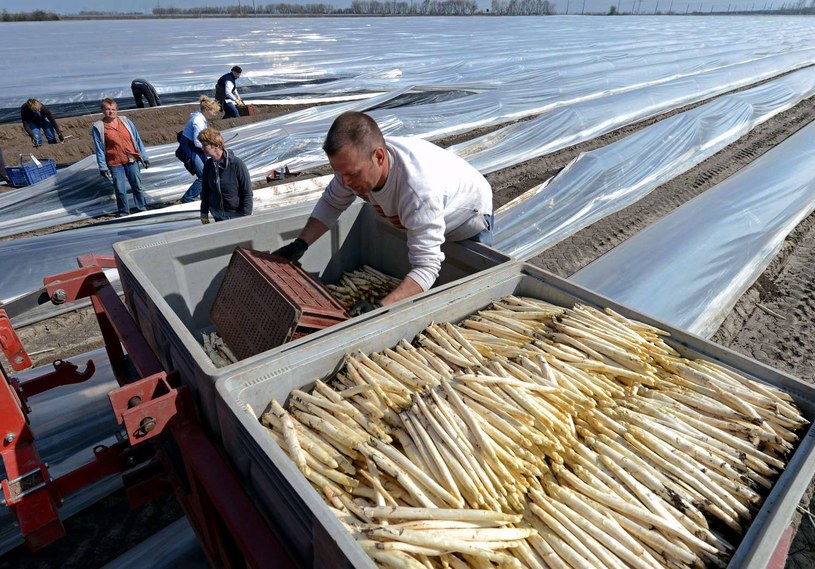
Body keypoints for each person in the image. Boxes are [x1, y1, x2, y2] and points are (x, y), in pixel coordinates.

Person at [272, 111, 493, 315]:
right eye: (340, 174)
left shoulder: (418, 191)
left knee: (472, 290)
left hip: (469, 218)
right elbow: (331, 203)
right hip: (429, 212)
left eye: (352, 174)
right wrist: (300, 244)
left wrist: (379, 308)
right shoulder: (354, 167)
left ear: (379, 157)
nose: (346, 183)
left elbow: (427, 267)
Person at [91, 98, 150, 217]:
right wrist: (102, 166)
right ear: (102, 110)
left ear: (117, 110)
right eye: (107, 109)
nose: (111, 112)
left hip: (131, 159)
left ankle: (142, 208)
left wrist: (144, 156)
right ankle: (124, 213)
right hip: (115, 163)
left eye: (113, 109)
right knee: (120, 190)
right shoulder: (99, 127)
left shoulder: (126, 121)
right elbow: (99, 149)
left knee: (137, 186)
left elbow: (137, 139)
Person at [198, 127, 252, 223]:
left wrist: (246, 215)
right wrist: (204, 214)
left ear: (214, 145)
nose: (202, 148)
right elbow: (205, 191)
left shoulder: (237, 164)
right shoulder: (208, 165)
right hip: (218, 215)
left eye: (204, 145)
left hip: (237, 215)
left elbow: (247, 191)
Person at [175, 95, 221, 203]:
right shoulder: (198, 121)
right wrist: (212, 146)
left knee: (206, 172)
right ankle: (188, 198)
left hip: (194, 149)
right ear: (206, 110)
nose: (215, 114)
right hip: (191, 149)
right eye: (214, 111)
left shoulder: (199, 117)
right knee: (204, 176)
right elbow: (197, 142)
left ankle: (204, 196)